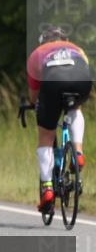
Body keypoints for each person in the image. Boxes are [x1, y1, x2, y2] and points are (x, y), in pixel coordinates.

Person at [28, 26, 92, 211]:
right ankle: (78, 152)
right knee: (75, 107)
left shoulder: (37, 53)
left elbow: (34, 96)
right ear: (65, 40)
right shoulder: (77, 48)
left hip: (53, 81)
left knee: (46, 136)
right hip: (81, 79)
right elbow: (84, 68)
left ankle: (47, 188)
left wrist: (36, 105)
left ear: (42, 42)